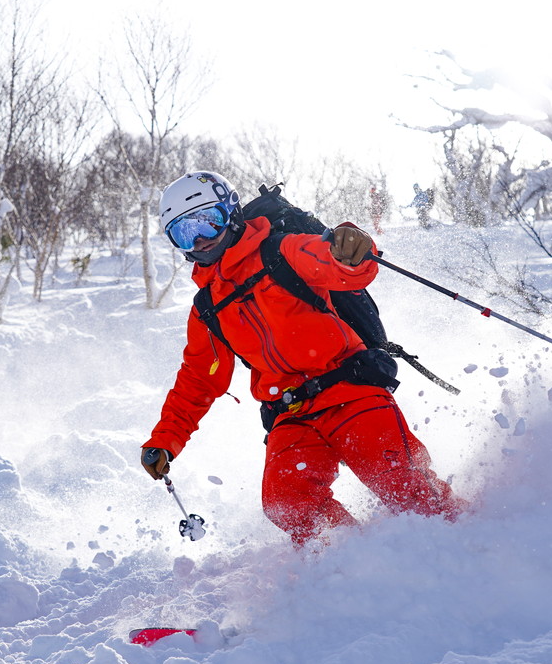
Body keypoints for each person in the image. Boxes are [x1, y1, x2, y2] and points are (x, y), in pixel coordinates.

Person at [140, 171, 463, 547]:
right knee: (287, 503)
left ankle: (468, 542)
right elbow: (199, 379)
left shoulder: (282, 252)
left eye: (206, 224)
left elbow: (342, 267)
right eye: (183, 232)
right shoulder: (209, 308)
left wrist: (350, 248)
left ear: (229, 213)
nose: (198, 240)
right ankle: (351, 564)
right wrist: (166, 440)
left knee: (401, 481)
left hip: (349, 390)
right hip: (290, 415)